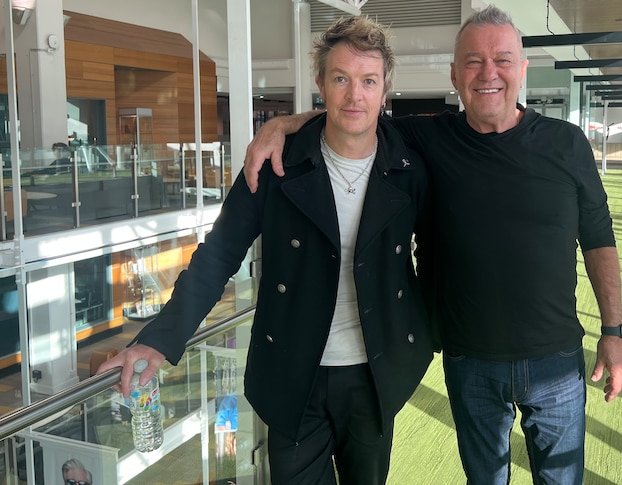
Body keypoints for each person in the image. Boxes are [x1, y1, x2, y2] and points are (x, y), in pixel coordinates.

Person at [242, 6, 622, 484]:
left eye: (503, 60)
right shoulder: (425, 138)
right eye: (473, 61)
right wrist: (283, 124)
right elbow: (352, 113)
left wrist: (614, 333)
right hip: (470, 363)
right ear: (454, 74)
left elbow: (598, 237)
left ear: (522, 69)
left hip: (556, 361)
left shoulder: (567, 145)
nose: (488, 73)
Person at [98, 15, 435, 484]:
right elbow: (219, 253)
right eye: (341, 78)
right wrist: (159, 339)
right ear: (320, 83)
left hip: (374, 374)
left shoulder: (409, 166)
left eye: (367, 81)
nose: (354, 95)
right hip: (293, 373)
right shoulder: (277, 164)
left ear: (384, 89)